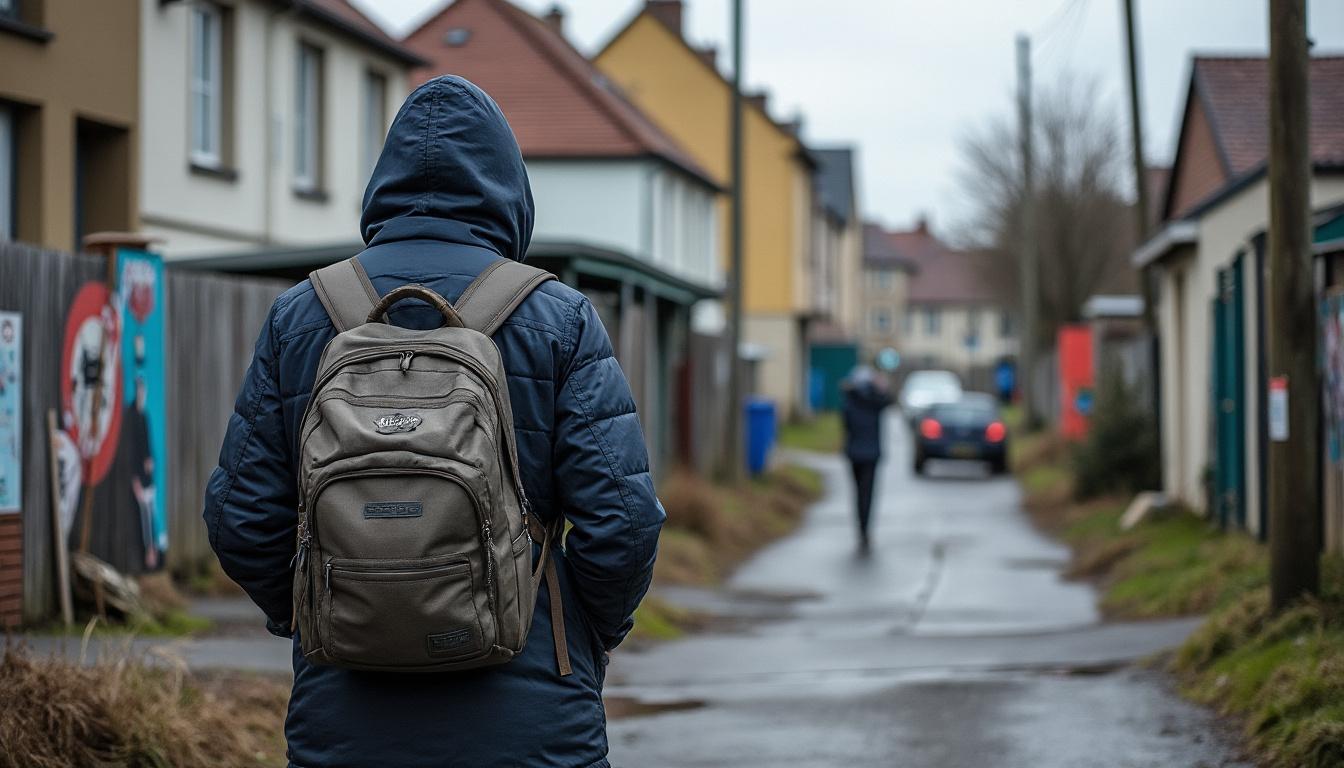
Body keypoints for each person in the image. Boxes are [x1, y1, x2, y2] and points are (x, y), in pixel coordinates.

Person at [203, 76, 664, 768]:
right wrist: (582, 632)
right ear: (509, 190)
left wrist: (318, 614)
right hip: (531, 724)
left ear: (381, 184)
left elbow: (240, 517)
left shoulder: (304, 316)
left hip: (346, 721)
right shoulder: (558, 320)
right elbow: (623, 521)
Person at [841, 365, 892, 552]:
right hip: (871, 454)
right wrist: (881, 386)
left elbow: (845, 423)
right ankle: (865, 530)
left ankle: (861, 528)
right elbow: (888, 400)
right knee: (867, 494)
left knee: (857, 493)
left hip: (854, 453)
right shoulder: (875, 400)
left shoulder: (851, 399)